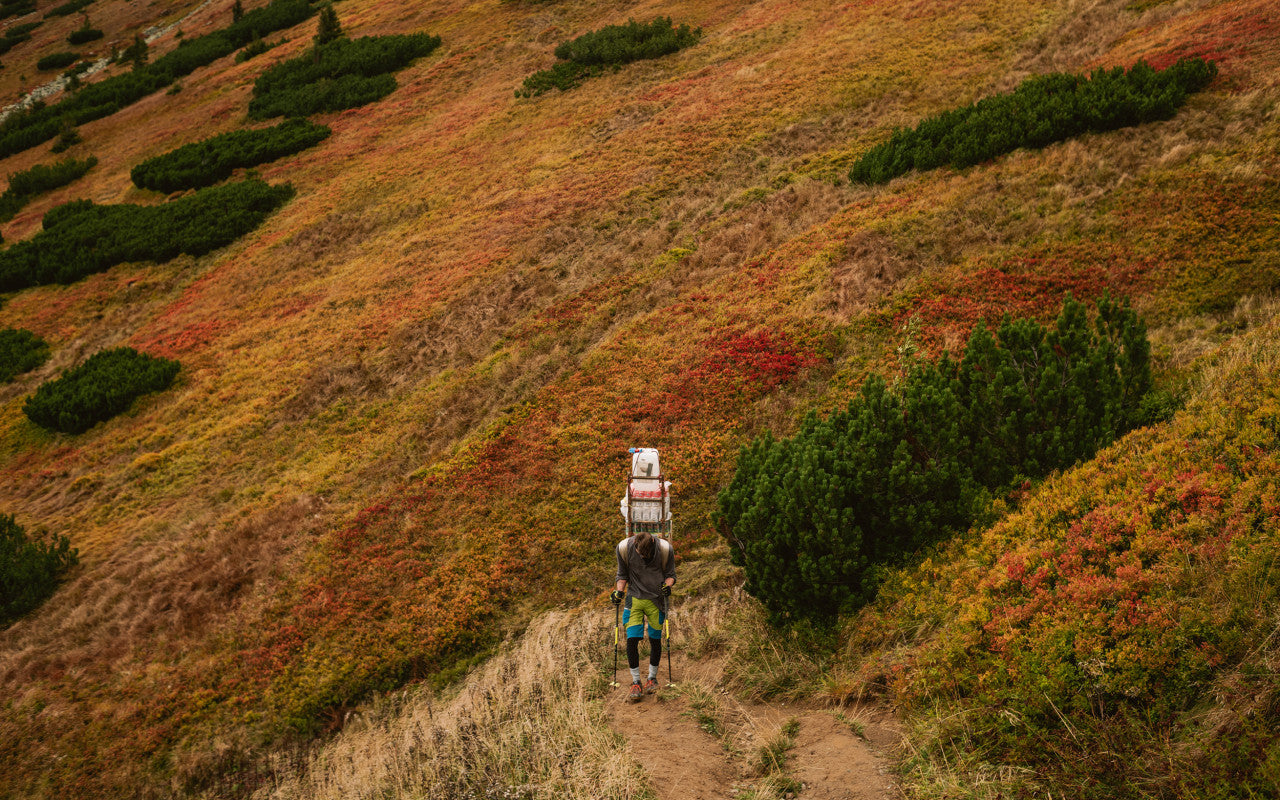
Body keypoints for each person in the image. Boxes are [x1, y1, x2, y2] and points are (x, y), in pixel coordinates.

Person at [611, 530, 675, 702]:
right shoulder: (624, 548)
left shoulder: (665, 549)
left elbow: (671, 575)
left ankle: (652, 678)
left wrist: (668, 586)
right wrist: (618, 592)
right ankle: (636, 681)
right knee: (632, 639)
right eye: (640, 554)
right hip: (634, 600)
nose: (643, 557)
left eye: (646, 555)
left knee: (655, 639)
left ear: (653, 544)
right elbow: (622, 574)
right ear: (635, 546)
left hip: (656, 600)